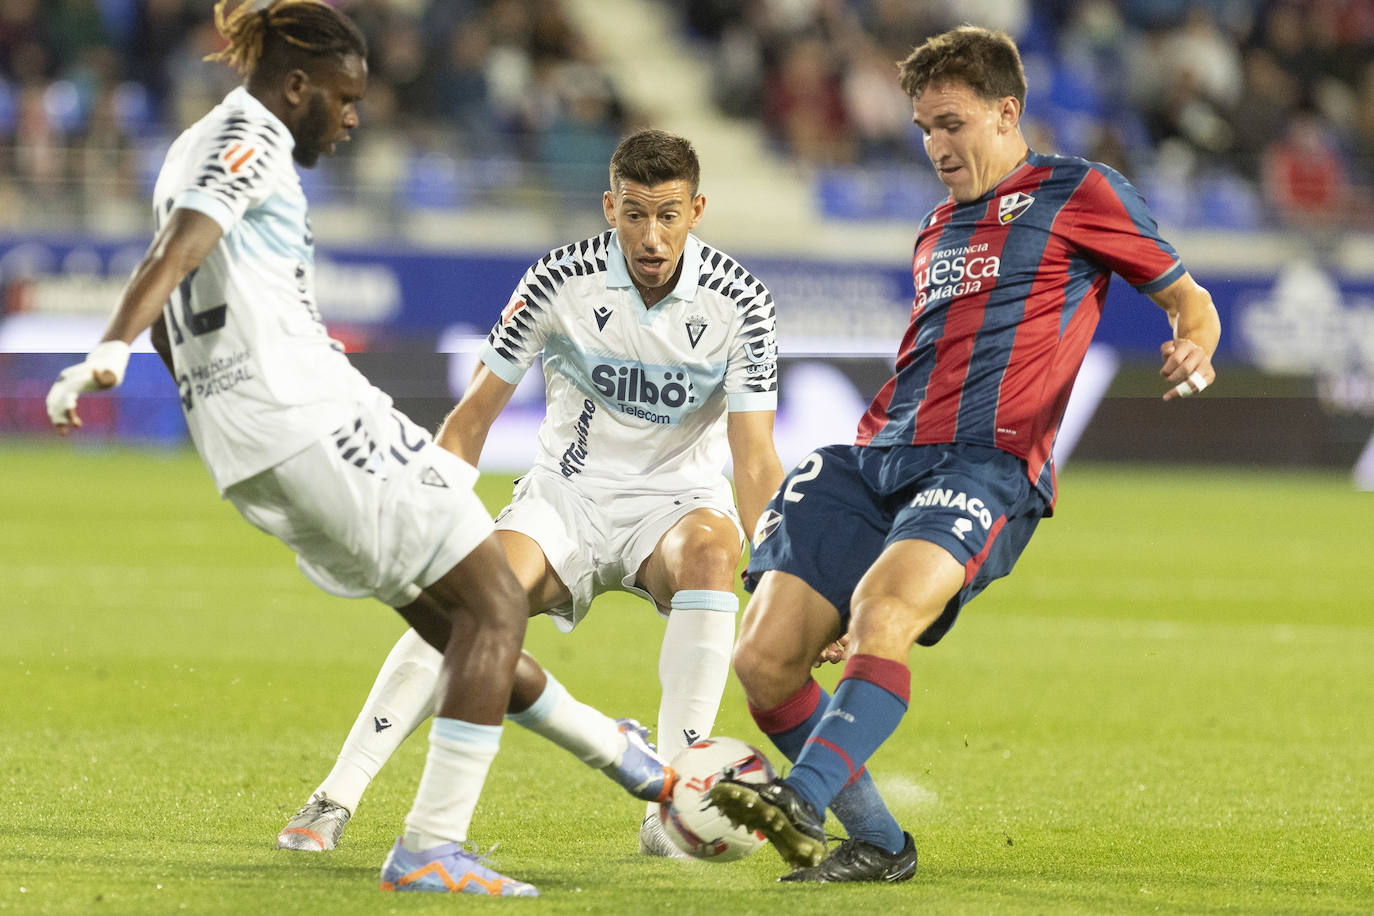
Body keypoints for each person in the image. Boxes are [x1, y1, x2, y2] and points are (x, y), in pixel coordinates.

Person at [44, 0, 668, 897]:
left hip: (254, 447)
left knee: (459, 625)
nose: (352, 117)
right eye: (341, 97)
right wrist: (108, 348)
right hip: (312, 418)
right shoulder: (248, 136)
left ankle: (628, 762)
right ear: (294, 86)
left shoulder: (188, 148)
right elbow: (180, 254)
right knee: (495, 601)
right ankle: (432, 846)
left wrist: (219, 417)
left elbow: (182, 307)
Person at [707, 25, 1221, 882]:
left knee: (883, 614)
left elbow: (1190, 299)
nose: (936, 146)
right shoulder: (936, 227)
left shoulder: (1077, 190)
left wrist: (1193, 342)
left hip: (987, 462)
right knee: (763, 659)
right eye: (923, 130)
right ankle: (877, 841)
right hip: (875, 457)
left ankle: (798, 800)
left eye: (950, 123)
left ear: (1005, 111)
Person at [275, 127, 785, 858]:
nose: (650, 234)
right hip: (565, 498)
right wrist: (434, 521)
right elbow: (472, 415)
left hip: (676, 506)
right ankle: (336, 795)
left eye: (668, 214)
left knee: (713, 550)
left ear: (696, 210)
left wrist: (777, 576)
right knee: (469, 607)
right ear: (609, 206)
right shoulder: (557, 279)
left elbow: (756, 460)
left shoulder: (742, 302)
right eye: (635, 213)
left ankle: (674, 801)